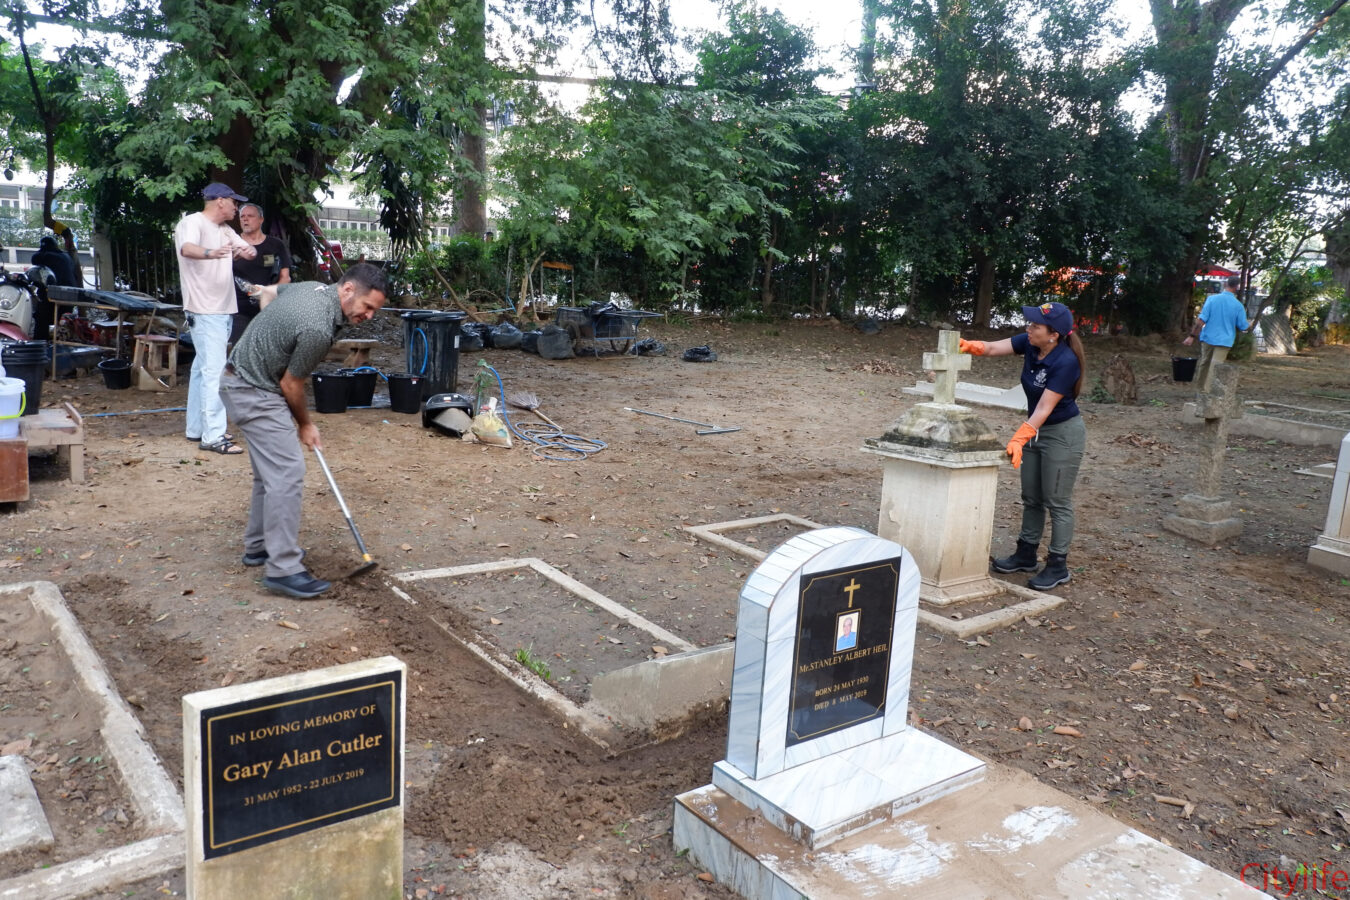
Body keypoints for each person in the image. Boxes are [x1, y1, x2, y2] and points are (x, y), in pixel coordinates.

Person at [219, 263, 388, 599]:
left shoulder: (312, 288)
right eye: (367, 306)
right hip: (254, 389)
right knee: (287, 472)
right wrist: (306, 425)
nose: (369, 316)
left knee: (269, 474)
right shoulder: (318, 327)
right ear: (348, 290)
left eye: (374, 311)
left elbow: (270, 292)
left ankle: (259, 546)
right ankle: (283, 569)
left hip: (241, 378)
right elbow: (291, 384)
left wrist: (273, 332)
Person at [959, 301, 1087, 590]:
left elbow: (1044, 408)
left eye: (1035, 326)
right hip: (1034, 432)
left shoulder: (1066, 361)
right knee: (1031, 496)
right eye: (1030, 323)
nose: (1028, 328)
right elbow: (993, 348)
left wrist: (1019, 438)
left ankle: (1057, 565)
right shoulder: (1030, 342)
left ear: (1053, 334)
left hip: (1062, 435)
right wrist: (971, 346)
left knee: (1057, 500)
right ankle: (1026, 553)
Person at [175, 182, 257, 455]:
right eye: (234, 202)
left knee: (202, 370)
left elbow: (248, 249)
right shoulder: (192, 222)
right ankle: (213, 436)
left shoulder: (224, 229)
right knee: (214, 372)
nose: (237, 208)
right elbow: (187, 249)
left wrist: (247, 251)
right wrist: (212, 253)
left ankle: (197, 428)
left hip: (222, 309)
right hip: (204, 308)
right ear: (220, 201)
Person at [231, 203, 292, 344]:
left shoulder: (276, 244)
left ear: (261, 220)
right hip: (238, 309)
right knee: (239, 348)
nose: (245, 219)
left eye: (250, 216)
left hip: (268, 307)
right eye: (242, 216)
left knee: (267, 347)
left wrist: (267, 293)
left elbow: (285, 278)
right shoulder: (232, 244)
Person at [1183, 275, 1249, 393]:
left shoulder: (1211, 299)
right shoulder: (1238, 305)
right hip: (1225, 340)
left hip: (1208, 337)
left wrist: (1191, 336)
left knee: (1204, 363)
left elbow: (1201, 320)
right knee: (1215, 366)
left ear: (1225, 284)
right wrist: (1249, 325)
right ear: (1237, 287)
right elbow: (1243, 326)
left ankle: (1199, 390)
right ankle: (1207, 393)